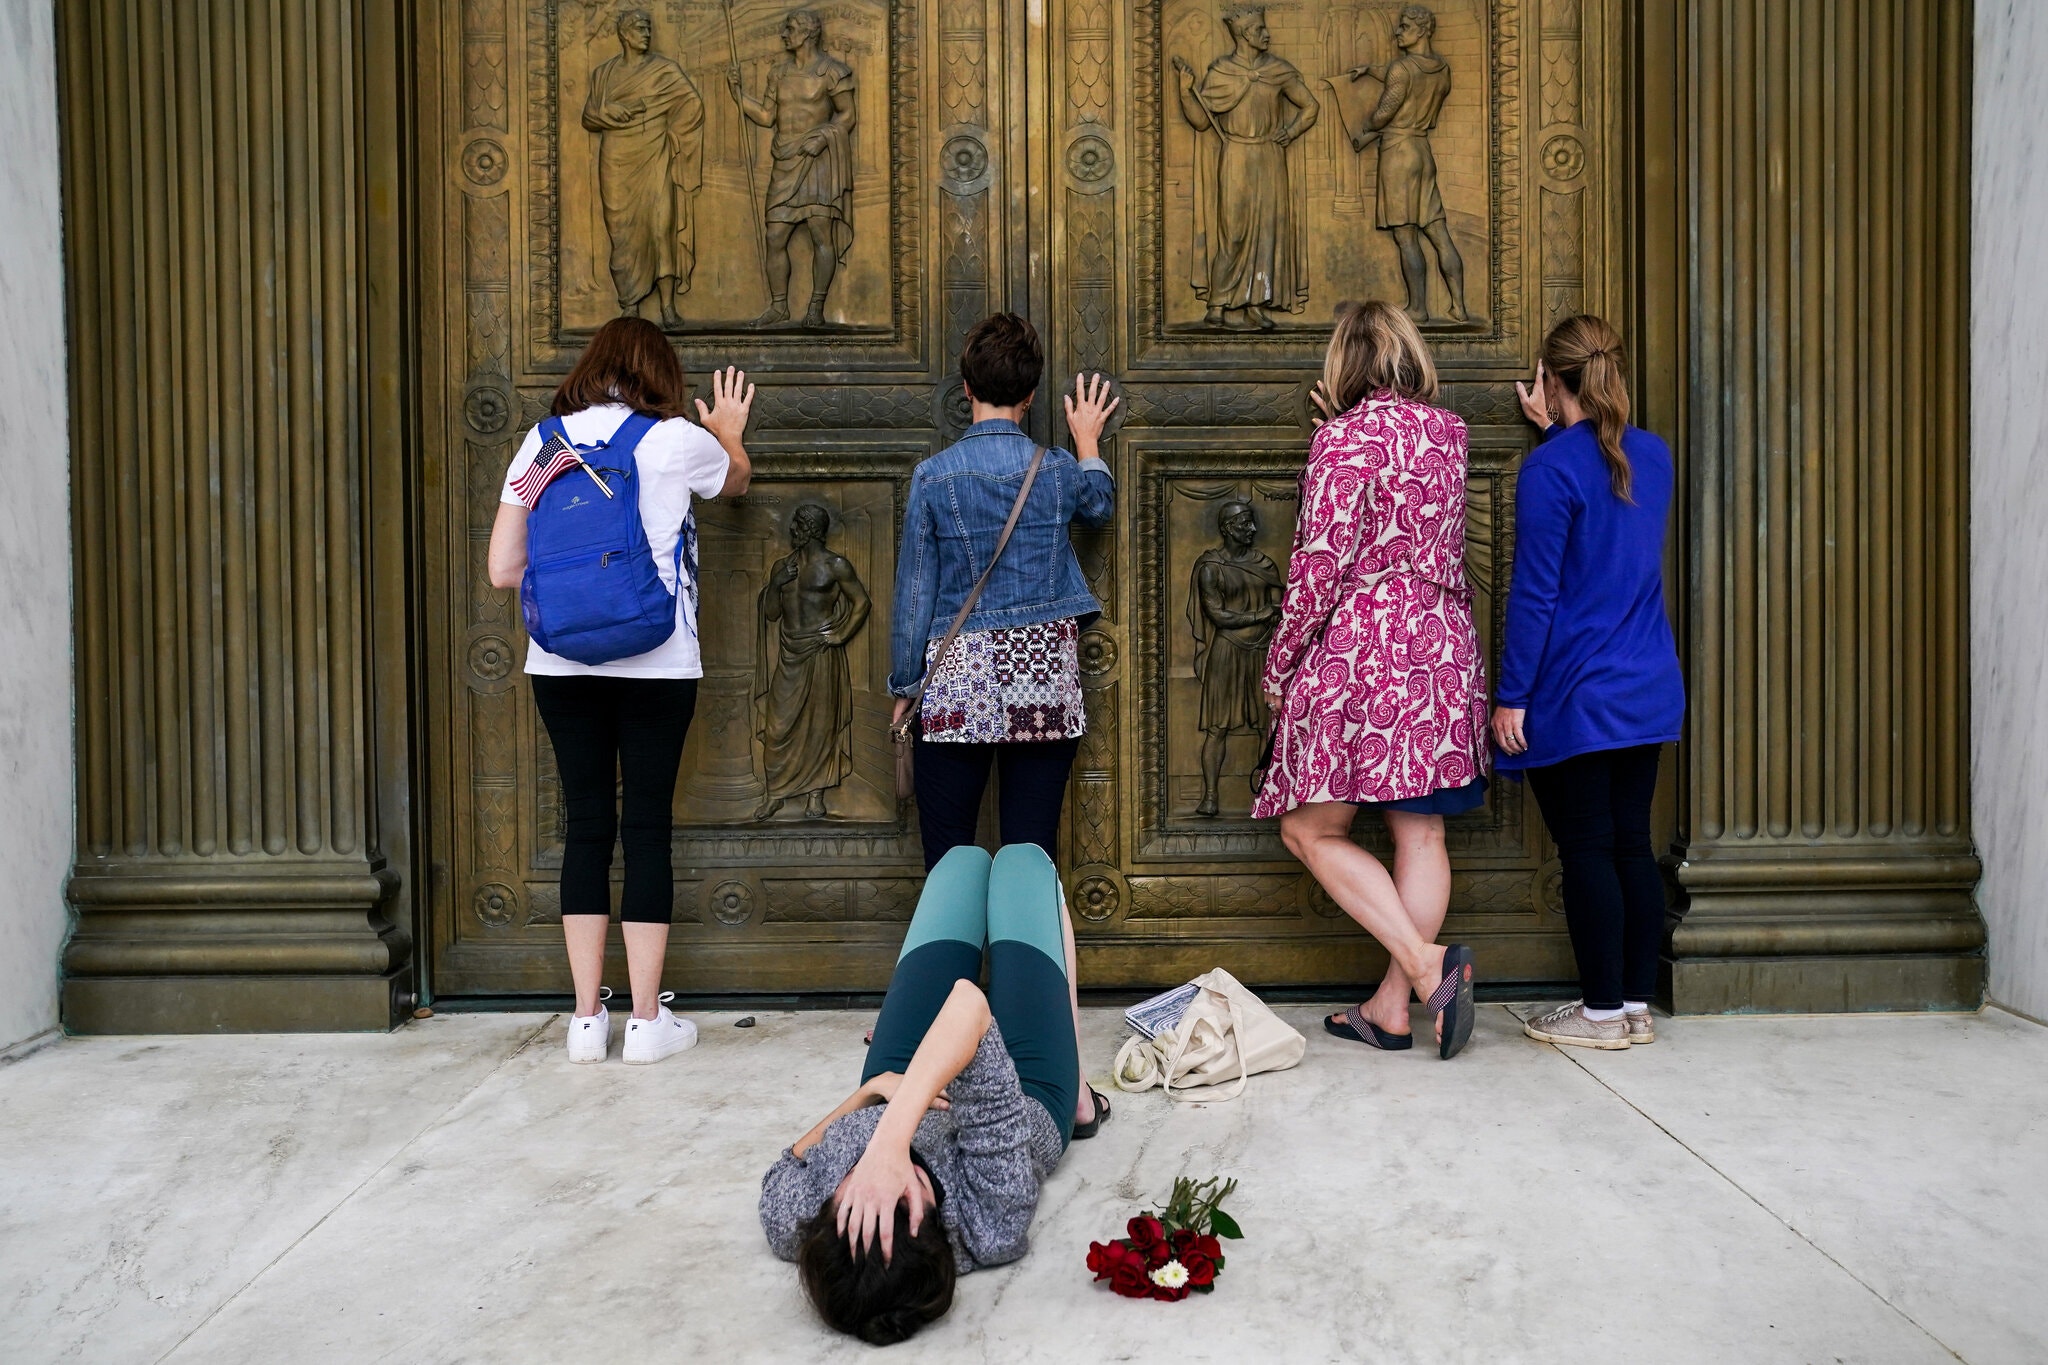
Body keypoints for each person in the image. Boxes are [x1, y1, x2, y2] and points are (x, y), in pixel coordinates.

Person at [486, 317, 754, 1064]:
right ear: (659, 374)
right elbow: (735, 480)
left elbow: (503, 568)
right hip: (658, 661)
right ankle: (643, 1021)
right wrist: (728, 430)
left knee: (587, 826)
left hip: (560, 664)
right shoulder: (673, 440)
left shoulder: (542, 444)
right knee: (646, 827)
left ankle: (581, 1021)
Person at [1254, 300, 1488, 1059]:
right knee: (1420, 830)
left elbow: (1317, 568)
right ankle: (1392, 1007)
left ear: (1343, 369)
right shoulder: (1448, 434)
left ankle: (1424, 968)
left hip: (1366, 653)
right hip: (1443, 648)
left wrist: (1280, 661)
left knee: (1307, 827)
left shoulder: (1341, 441)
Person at [760, 843, 1110, 1345]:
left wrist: (874, 1094)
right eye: (902, 1188)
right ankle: (1077, 1093)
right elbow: (970, 1004)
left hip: (895, 1082)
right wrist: (889, 1147)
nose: (871, 1175)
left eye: (858, 1191)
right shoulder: (990, 1221)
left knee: (961, 865)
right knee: (1022, 864)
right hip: (1024, 1092)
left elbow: (788, 1165)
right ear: (936, 1222)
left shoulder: (797, 1221)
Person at [1494, 315, 1684, 1050]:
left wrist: (1513, 695)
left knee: (1587, 849)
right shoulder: (1654, 456)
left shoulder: (1551, 470)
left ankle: (1599, 1014)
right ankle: (1632, 1004)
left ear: (1551, 379)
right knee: (1630, 844)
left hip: (1577, 689)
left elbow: (1538, 592)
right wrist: (1554, 432)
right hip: (1648, 686)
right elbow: (1605, 517)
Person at [888, 313, 1119, 871]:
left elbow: (915, 592)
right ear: (1032, 394)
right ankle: (1029, 957)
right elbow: (1100, 506)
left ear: (966, 388)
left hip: (957, 681)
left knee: (948, 861)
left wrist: (904, 684)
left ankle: (956, 963)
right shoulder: (1059, 469)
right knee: (1029, 857)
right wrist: (1087, 440)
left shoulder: (934, 475)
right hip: (1043, 680)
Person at [1171, 4, 1320, 330]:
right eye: (1258, 30)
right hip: (1236, 155)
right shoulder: (1221, 72)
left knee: (1267, 231)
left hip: (1269, 157)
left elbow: (1311, 106)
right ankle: (1219, 302)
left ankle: (1256, 303)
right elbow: (1200, 120)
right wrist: (1185, 92)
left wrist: (1291, 131)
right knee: (1232, 230)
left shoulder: (1278, 70)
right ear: (1241, 34)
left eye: (1264, 28)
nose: (1266, 34)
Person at [726, 8, 857, 327]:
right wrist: (737, 95)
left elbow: (847, 115)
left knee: (820, 233)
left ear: (809, 33)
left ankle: (816, 307)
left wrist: (824, 139)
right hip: (785, 161)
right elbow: (767, 117)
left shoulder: (832, 71)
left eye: (790, 28)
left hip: (817, 161)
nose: (784, 34)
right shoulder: (778, 73)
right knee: (775, 235)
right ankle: (779, 306)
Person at [582, 9, 704, 325]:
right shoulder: (603, 75)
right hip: (617, 159)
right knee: (622, 231)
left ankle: (667, 307)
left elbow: (692, 104)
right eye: (639, 28)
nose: (646, 33)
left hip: (655, 155)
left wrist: (671, 134)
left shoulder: (665, 70)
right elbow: (588, 117)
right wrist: (610, 111)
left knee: (660, 226)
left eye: (648, 28)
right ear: (624, 34)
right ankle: (630, 303)